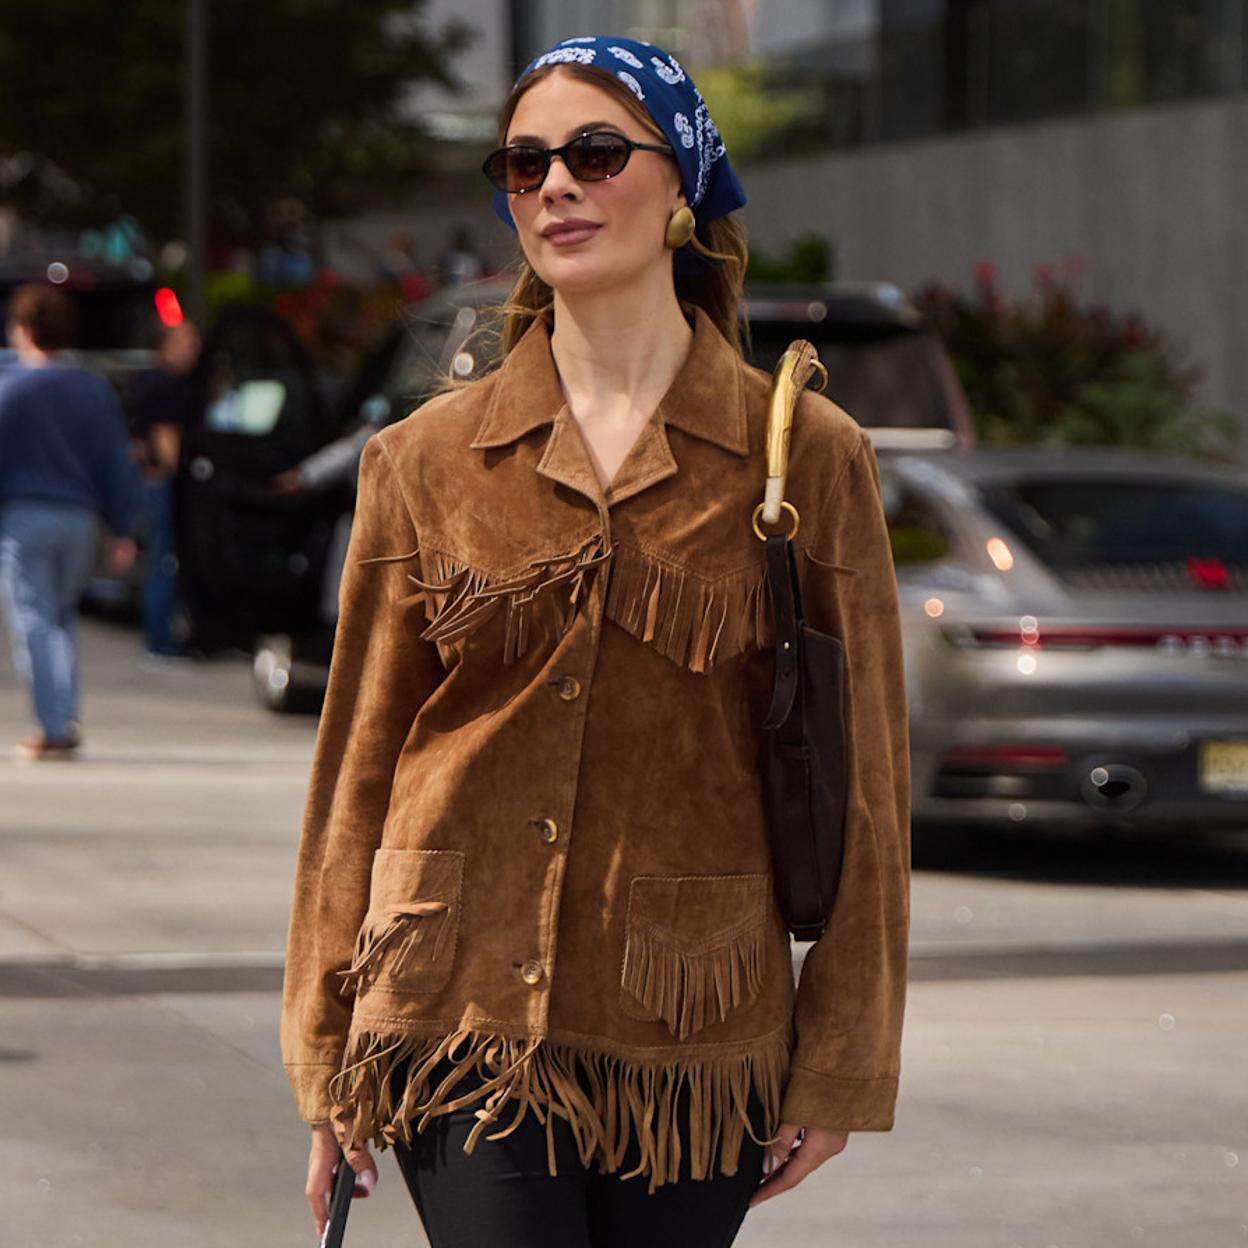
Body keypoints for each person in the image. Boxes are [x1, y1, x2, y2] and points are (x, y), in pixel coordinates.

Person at [280, 33, 911, 1248]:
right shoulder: (421, 460)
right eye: (524, 166)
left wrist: (840, 1060)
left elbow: (868, 784)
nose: (556, 185)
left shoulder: (807, 454)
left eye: (595, 152)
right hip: (449, 1008)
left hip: (693, 1030)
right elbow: (355, 770)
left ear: (683, 184)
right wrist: (323, 1050)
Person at [0, 283, 141, 759]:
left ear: (23, 331)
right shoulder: (93, 388)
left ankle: (54, 725)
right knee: (60, 619)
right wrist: (122, 526)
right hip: (79, 521)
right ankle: (65, 712)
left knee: (32, 620)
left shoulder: (10, 388)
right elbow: (114, 461)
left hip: (25, 518)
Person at [130, 319, 201, 658]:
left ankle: (159, 635)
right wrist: (181, 476)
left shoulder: (149, 381)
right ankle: (160, 640)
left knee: (160, 558)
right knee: (166, 559)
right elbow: (164, 439)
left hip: (150, 480)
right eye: (186, 340)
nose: (193, 348)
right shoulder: (167, 384)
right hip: (163, 483)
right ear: (165, 345)